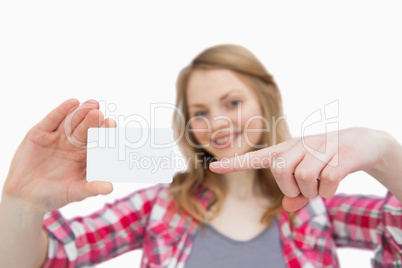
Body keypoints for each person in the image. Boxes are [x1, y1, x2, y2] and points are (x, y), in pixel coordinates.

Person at [0, 44, 401, 268]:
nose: (218, 122)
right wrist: (20, 203)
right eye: (201, 112)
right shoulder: (158, 207)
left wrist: (384, 150)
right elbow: (48, 258)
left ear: (265, 102)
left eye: (232, 102)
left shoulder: (318, 208)